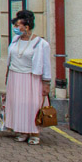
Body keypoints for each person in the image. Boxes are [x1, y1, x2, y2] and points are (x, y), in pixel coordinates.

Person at [5, 9, 53, 145]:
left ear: (26, 27)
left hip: (31, 78)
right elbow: (11, 59)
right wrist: (7, 74)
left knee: (32, 105)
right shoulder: (15, 40)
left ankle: (35, 133)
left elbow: (46, 64)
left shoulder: (40, 43)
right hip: (15, 76)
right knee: (18, 104)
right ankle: (22, 131)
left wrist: (46, 83)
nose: (15, 28)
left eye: (17, 26)